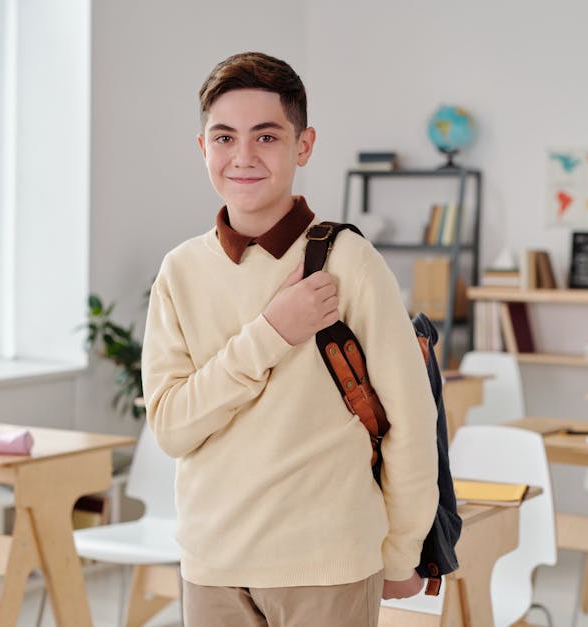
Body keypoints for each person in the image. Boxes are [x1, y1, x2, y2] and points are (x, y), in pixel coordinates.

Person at [142, 51, 438, 627]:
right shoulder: (178, 271)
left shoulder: (350, 262)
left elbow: (411, 418)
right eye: (224, 137)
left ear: (303, 146)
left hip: (327, 562)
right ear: (202, 147)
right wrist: (272, 332)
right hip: (213, 564)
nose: (244, 156)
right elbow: (173, 428)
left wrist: (402, 550)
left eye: (267, 136)